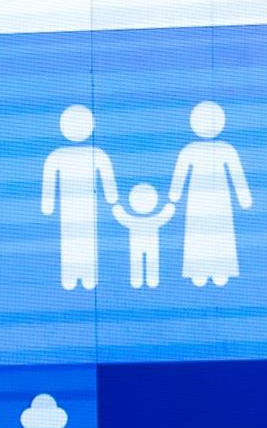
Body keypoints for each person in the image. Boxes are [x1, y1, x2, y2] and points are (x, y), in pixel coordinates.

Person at [169, 100, 253, 288]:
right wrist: (174, 195)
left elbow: (237, 175)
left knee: (219, 232)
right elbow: (180, 175)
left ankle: (221, 269)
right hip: (199, 199)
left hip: (217, 199)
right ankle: (197, 270)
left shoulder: (225, 149)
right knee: (199, 232)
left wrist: (244, 197)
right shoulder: (191, 150)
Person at [41, 104, 118, 290]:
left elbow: (107, 179)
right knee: (70, 240)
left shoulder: (96, 154)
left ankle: (88, 276)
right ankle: (70, 276)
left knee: (87, 240)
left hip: (88, 206)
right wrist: (48, 204)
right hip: (68, 206)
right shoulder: (58, 156)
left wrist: (112, 198)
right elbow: (49, 181)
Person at [110, 183, 176, 289]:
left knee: (150, 262)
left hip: (149, 246)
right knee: (138, 262)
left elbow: (121, 216)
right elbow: (165, 215)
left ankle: (148, 280)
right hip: (138, 247)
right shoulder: (148, 221)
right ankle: (140, 281)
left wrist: (117, 208)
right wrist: (170, 207)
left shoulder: (145, 221)